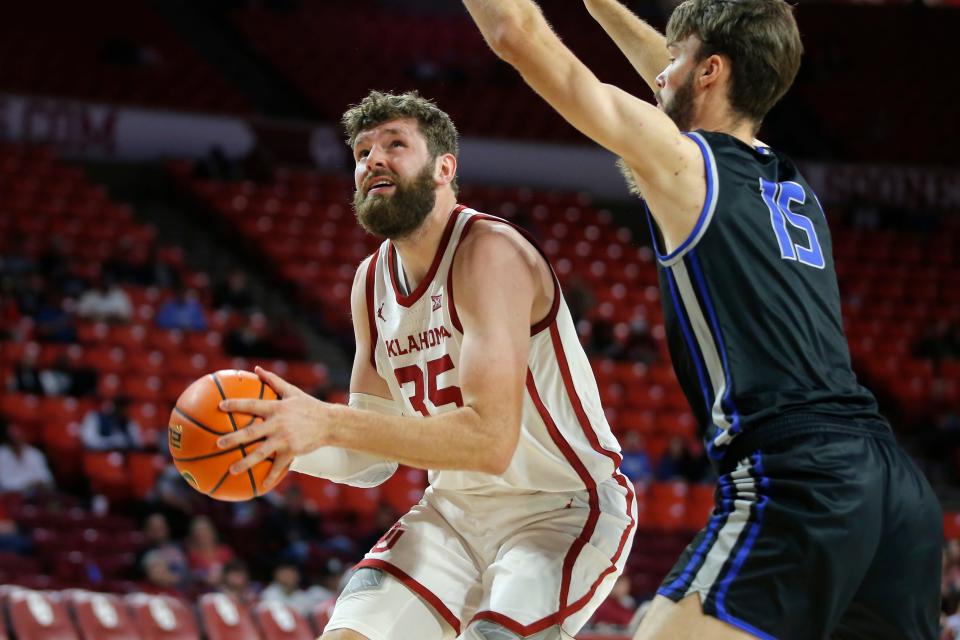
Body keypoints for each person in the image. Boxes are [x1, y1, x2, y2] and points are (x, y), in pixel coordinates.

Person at [462, 1, 942, 638]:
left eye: (676, 59)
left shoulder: (688, 164)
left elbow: (516, 35)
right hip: (897, 492)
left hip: (799, 474)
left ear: (712, 70)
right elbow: (675, 70)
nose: (659, 73)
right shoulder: (782, 176)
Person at [215, 91, 636, 640]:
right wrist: (278, 442)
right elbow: (369, 461)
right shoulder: (370, 283)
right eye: (362, 152)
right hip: (454, 514)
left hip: (561, 510)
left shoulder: (491, 253)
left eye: (395, 145)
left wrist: (328, 420)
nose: (374, 161)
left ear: (444, 168)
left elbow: (490, 443)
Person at [0, 419, 56, 495]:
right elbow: (4, 483)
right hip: (8, 497)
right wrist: (27, 485)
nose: (17, 442)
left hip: (34, 496)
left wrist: (39, 483)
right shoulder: (2, 454)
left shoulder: (35, 454)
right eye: (14, 439)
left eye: (20, 438)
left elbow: (47, 479)